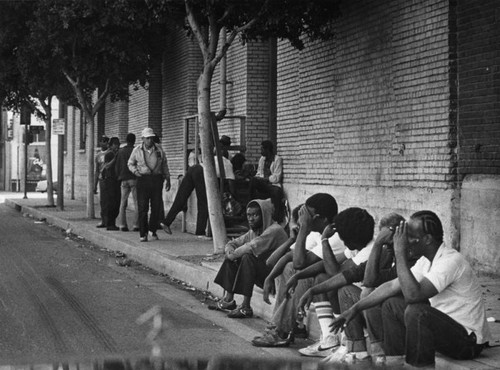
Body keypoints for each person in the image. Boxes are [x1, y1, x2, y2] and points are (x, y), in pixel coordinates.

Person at [330, 210, 491, 368]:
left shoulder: (451, 260)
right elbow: (392, 286)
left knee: (417, 311)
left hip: (468, 342)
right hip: (446, 333)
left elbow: (413, 296)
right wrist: (355, 308)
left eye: (410, 236)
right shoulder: (425, 261)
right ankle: (395, 363)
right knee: (391, 303)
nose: (405, 241)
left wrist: (400, 252)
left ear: (427, 239)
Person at [296, 213, 406, 361]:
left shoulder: (403, 255)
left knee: (362, 292)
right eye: (383, 239)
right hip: (374, 312)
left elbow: (366, 281)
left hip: (394, 317)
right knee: (341, 287)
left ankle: (370, 353)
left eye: (389, 239)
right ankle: (356, 351)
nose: (388, 244)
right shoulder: (385, 251)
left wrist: (379, 245)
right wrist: (311, 288)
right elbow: (350, 274)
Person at [251, 194, 340, 347]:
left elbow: (300, 263)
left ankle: (281, 329)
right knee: (287, 268)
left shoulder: (335, 235)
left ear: (322, 219)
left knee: (302, 275)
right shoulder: (316, 233)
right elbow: (278, 260)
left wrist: (304, 229)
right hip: (321, 280)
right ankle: (281, 327)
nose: (303, 218)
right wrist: (270, 277)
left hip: (335, 284)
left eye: (307, 215)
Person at [209, 199, 288, 318]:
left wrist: (233, 254)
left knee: (246, 257)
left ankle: (246, 307)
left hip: (274, 278)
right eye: (249, 215)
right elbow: (234, 242)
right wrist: (229, 250)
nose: (251, 219)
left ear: (265, 215)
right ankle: (228, 300)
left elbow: (251, 247)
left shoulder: (274, 230)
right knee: (234, 257)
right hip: (263, 272)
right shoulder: (254, 231)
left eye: (255, 215)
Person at [160, 137, 236, 236]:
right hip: (201, 173)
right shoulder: (227, 163)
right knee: (203, 203)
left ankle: (167, 222)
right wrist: (235, 196)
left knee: (181, 197)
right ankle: (200, 232)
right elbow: (231, 182)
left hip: (194, 169)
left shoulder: (214, 157)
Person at [128, 127, 171, 242]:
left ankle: (153, 230)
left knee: (156, 206)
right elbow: (130, 163)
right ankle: (143, 233)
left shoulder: (159, 149)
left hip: (156, 179)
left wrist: (168, 178)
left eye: (151, 138)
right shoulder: (137, 150)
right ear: (142, 139)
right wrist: (136, 172)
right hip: (143, 179)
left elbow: (164, 164)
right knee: (143, 207)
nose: (149, 141)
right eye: (147, 138)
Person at [248, 140, 284, 223]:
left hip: (272, 185)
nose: (261, 151)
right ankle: (250, 205)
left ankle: (277, 218)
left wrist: (266, 179)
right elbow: (259, 173)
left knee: (277, 192)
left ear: (267, 149)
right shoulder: (262, 159)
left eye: (262, 149)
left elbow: (277, 177)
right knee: (253, 181)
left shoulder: (277, 159)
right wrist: (257, 178)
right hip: (263, 184)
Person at [115, 133, 139, 232]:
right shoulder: (136, 151)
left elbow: (117, 166)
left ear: (126, 140)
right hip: (134, 178)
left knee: (123, 202)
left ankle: (122, 224)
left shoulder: (120, 151)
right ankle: (136, 225)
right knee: (137, 202)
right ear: (134, 140)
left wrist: (118, 176)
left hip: (123, 179)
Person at [101, 137, 121, 230]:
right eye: (115, 144)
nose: (117, 146)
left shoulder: (116, 153)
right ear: (112, 145)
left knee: (116, 202)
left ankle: (112, 222)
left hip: (116, 180)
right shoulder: (109, 154)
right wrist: (115, 158)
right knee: (111, 202)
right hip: (110, 180)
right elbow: (107, 166)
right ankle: (110, 224)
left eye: (118, 144)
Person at [95, 136, 109, 228]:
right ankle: (103, 220)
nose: (102, 143)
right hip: (101, 180)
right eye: (101, 141)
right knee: (103, 201)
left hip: (109, 179)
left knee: (109, 201)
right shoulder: (98, 155)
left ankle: (109, 220)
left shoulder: (110, 153)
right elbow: (96, 170)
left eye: (104, 141)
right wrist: (95, 184)